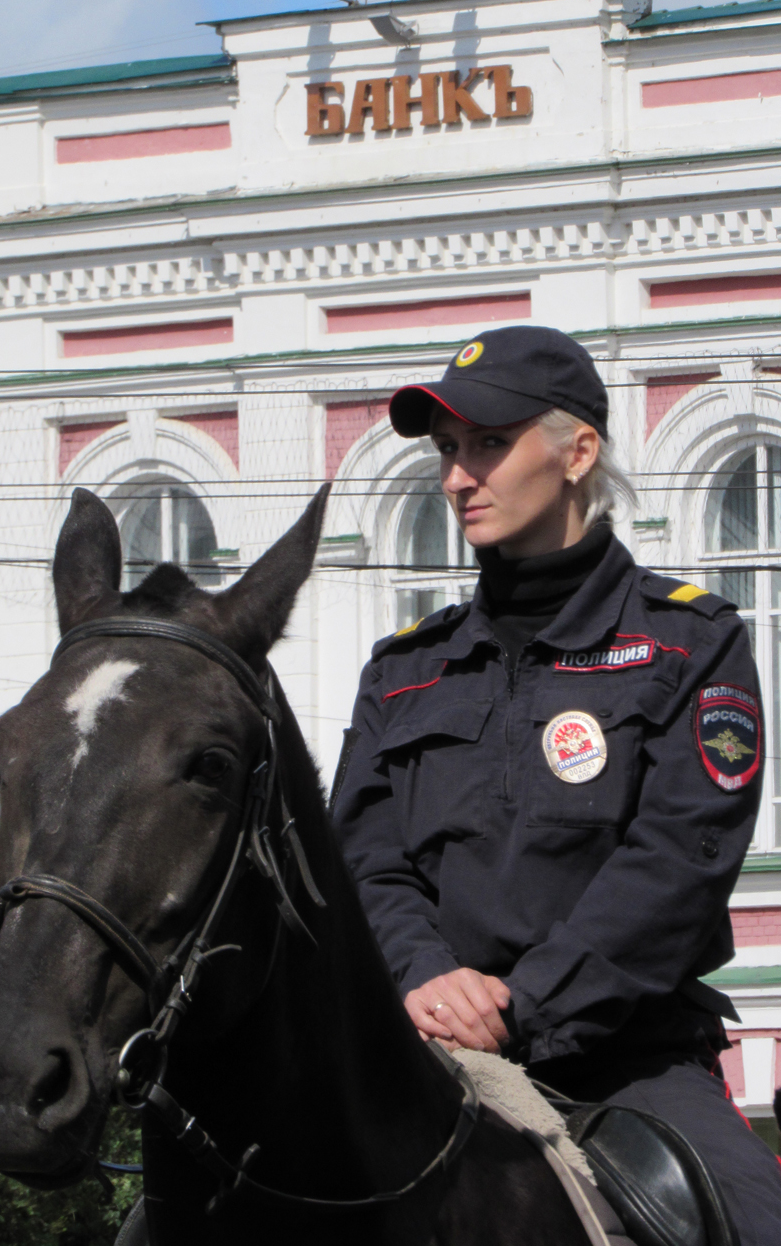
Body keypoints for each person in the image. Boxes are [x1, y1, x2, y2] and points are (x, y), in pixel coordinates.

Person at [331, 325, 781, 1246]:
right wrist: (422, 978)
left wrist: (520, 1008)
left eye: (489, 443)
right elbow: (362, 862)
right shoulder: (403, 671)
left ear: (577, 451)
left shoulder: (691, 644)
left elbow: (677, 868)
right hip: (420, 1051)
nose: (459, 477)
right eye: (449, 451)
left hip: (628, 1063)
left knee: (756, 1221)